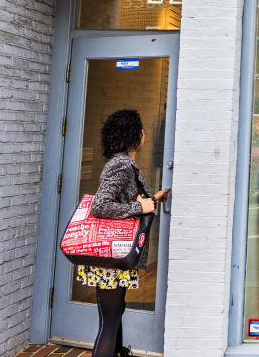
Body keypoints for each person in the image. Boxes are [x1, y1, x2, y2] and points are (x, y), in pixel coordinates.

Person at [75, 109, 169, 357]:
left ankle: (118, 352)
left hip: (112, 256)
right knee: (109, 322)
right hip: (112, 257)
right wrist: (140, 206)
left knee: (114, 314)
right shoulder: (122, 164)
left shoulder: (120, 162)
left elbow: (126, 199)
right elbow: (100, 205)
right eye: (141, 129)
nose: (145, 134)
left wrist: (153, 199)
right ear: (134, 135)